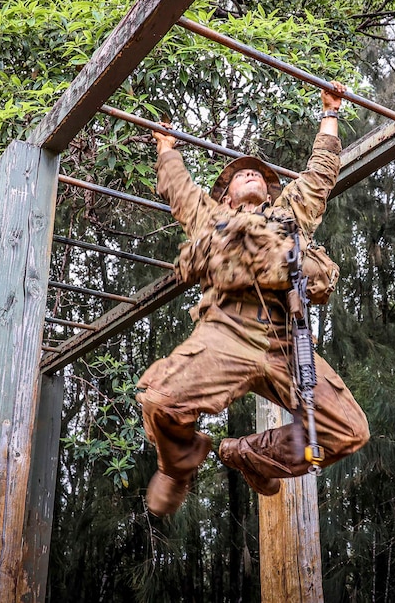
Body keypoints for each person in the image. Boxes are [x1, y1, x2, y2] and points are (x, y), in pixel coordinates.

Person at [137, 81, 370, 516]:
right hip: (228, 332)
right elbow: (182, 192)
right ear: (225, 195)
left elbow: (320, 174)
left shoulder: (289, 215)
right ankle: (178, 465)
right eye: (241, 174)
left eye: (259, 175)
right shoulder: (214, 218)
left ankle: (247, 453)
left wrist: (331, 114)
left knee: (348, 431)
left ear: (269, 189)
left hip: (287, 337)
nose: (251, 175)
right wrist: (166, 148)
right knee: (159, 402)